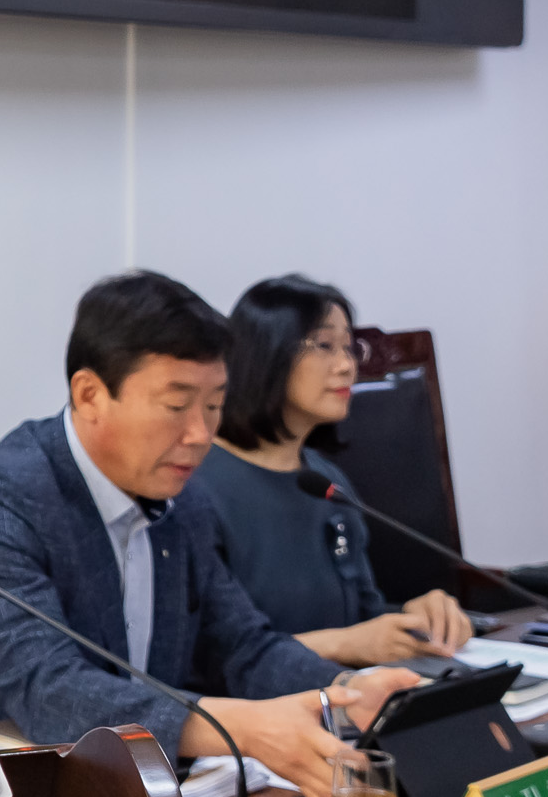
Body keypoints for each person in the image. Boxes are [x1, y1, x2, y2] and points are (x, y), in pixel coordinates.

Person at [0, 271, 416, 797]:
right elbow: (52, 692)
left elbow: (242, 646)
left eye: (214, 405)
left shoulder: (184, 500)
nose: (200, 434)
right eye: (177, 406)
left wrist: (343, 692)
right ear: (90, 395)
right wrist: (240, 727)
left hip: (145, 796)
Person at [191, 274, 472, 662]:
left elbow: (362, 619)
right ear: (266, 352)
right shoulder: (195, 484)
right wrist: (347, 644)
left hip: (351, 689)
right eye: (324, 346)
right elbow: (208, 655)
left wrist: (419, 620)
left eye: (349, 348)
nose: (346, 366)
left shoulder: (325, 482)